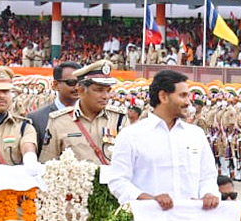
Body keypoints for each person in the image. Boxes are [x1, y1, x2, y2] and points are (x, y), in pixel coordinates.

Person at [106, 69, 220, 211]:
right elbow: (118, 181)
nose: (188, 102)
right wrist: (148, 199)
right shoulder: (131, 135)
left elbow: (208, 176)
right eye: (183, 96)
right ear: (163, 97)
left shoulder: (196, 134)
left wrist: (209, 194)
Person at [40, 61, 126, 165]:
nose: (106, 96)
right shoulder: (59, 121)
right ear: (80, 91)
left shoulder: (120, 119)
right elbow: (48, 164)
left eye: (108, 91)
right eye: (99, 90)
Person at [29, 61, 82, 150]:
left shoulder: (91, 116)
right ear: (56, 85)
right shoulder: (37, 119)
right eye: (71, 82)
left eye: (80, 83)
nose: (77, 87)